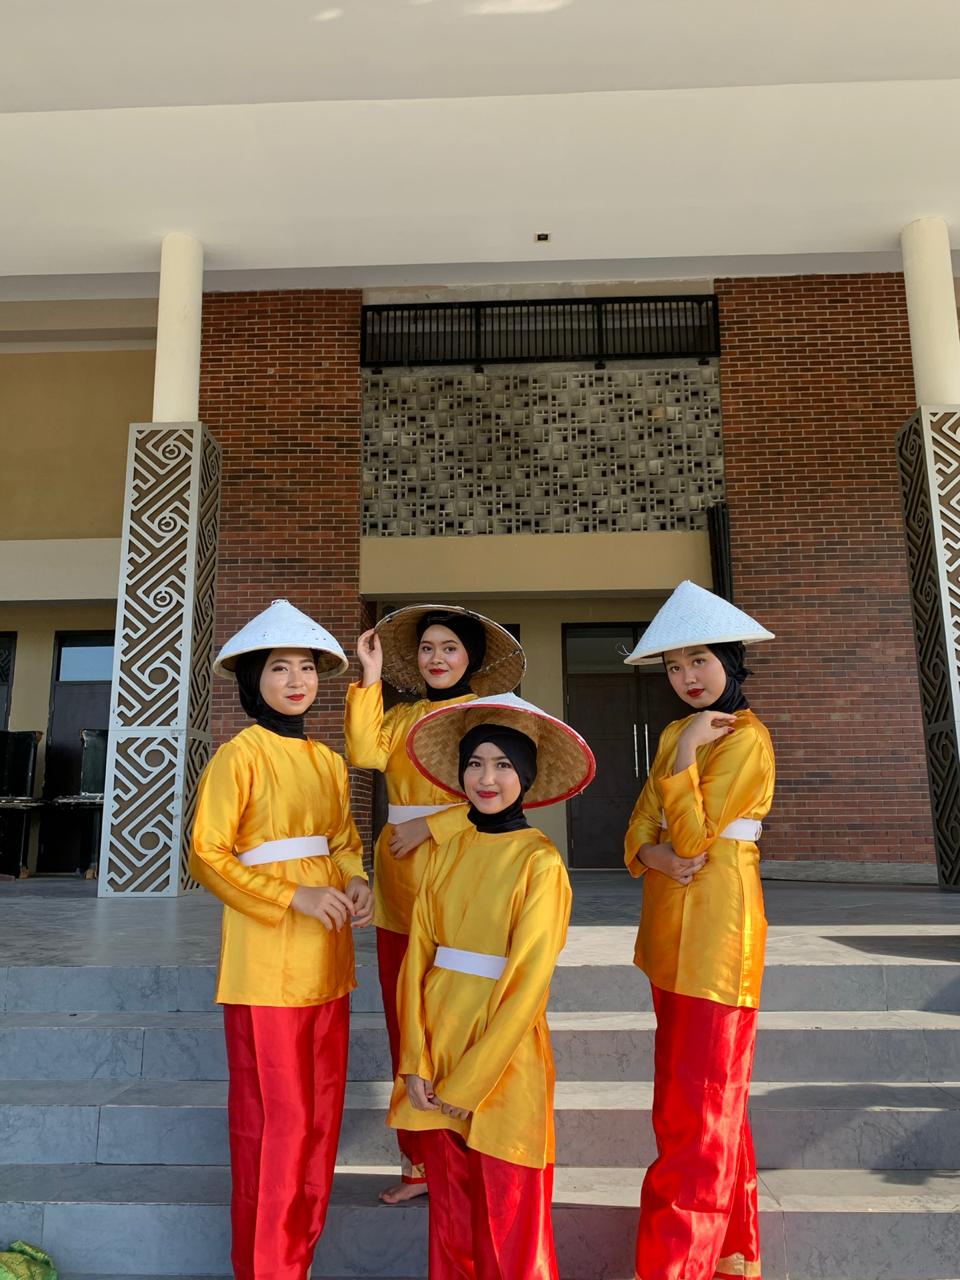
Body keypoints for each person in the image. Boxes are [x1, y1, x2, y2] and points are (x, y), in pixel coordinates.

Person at [189, 599, 374, 1280]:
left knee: (319, 1122)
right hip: (267, 963)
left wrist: (356, 879)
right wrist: (291, 895)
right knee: (276, 1124)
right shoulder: (238, 756)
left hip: (329, 956)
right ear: (252, 678)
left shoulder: (327, 761)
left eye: (307, 668)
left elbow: (343, 840)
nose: (297, 680)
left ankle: (299, 1257)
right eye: (279, 668)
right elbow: (207, 854)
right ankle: (268, 1268)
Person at [390, 691, 595, 1279]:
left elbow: (529, 982)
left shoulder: (540, 863)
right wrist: (414, 1058)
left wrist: (473, 1079)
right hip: (437, 1043)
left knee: (509, 1220)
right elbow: (416, 956)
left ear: (525, 777)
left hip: (502, 1059)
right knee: (451, 1221)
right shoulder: (447, 850)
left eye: (504, 765)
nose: (486, 778)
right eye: (475, 764)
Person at [345, 605, 525, 1203]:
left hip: (461, 876)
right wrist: (371, 676)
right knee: (407, 1022)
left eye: (450, 648)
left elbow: (498, 793)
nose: (437, 658)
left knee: (456, 1021)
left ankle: (471, 1152)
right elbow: (364, 752)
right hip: (400, 884)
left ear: (471, 657)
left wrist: (433, 826)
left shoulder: (484, 715)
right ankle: (419, 1162)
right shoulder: (401, 716)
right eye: (427, 648)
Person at [622, 580, 776, 1280]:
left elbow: (690, 836)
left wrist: (686, 755)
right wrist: (651, 854)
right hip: (668, 934)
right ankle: (734, 1252)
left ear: (730, 662)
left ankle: (675, 1264)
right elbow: (640, 830)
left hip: (719, 934)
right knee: (701, 1098)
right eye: (674, 666)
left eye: (699, 661)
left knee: (700, 1105)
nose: (687, 677)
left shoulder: (746, 740)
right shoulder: (670, 735)